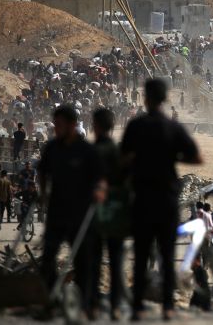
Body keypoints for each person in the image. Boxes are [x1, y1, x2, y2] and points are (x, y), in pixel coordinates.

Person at [122, 79, 202, 321]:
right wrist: (169, 156)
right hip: (166, 198)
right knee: (167, 256)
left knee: (142, 252)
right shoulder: (172, 128)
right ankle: (168, 306)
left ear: (145, 98)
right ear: (166, 98)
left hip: (142, 197)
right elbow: (197, 158)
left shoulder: (136, 126)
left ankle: (137, 306)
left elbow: (123, 158)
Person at [38, 105, 105, 319]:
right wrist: (43, 193)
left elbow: (101, 179)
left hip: (81, 214)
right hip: (57, 212)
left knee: (83, 262)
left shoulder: (87, 151)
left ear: (73, 125)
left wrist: (99, 191)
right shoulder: (52, 148)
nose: (56, 129)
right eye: (55, 124)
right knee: (47, 258)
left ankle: (87, 304)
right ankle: (51, 300)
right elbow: (42, 172)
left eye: (59, 125)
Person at [91, 108, 129, 320]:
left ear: (95, 125)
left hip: (95, 214)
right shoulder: (118, 151)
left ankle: (94, 303)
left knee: (94, 259)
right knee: (116, 260)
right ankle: (115, 304)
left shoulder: (90, 151)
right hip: (116, 214)